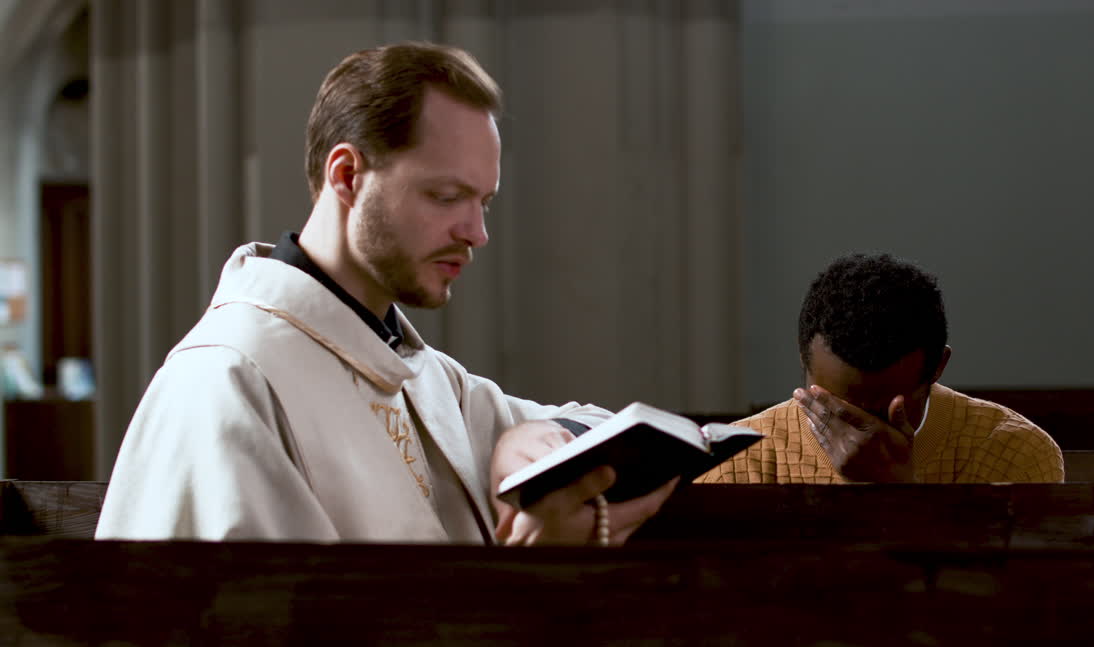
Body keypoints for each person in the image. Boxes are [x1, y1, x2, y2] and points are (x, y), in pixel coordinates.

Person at [95, 42, 676, 544]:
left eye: (484, 202)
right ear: (347, 176)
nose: (477, 233)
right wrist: (530, 578)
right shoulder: (228, 381)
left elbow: (620, 430)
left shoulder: (424, 377)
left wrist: (533, 438)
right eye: (446, 197)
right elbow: (252, 628)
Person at [697, 252, 1064, 485]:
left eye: (884, 413)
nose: (859, 437)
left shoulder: (1013, 451)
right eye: (832, 408)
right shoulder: (738, 459)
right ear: (803, 361)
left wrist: (896, 490)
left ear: (938, 367)